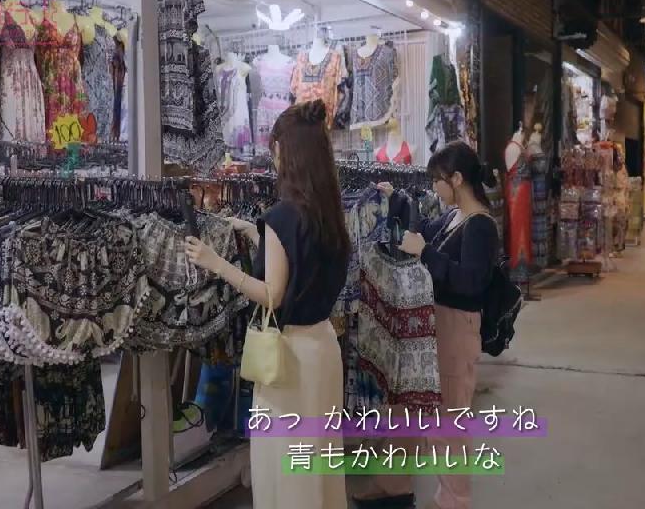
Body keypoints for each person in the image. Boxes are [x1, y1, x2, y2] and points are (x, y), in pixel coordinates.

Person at [184, 100, 351, 509]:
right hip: (323, 348)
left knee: (286, 463)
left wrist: (217, 263)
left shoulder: (282, 217)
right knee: (318, 459)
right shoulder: (328, 212)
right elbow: (304, 266)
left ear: (286, 153)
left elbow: (273, 295)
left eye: (275, 147)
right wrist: (258, 235)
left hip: (288, 357)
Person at [357, 141, 500, 509]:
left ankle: (454, 500)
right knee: (406, 409)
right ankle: (392, 486)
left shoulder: (481, 225)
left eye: (438, 180)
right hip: (431, 325)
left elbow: (471, 283)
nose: (435, 188)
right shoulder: (454, 217)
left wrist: (426, 253)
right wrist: (396, 199)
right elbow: (423, 228)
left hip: (455, 327)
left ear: (457, 179)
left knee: (448, 424)